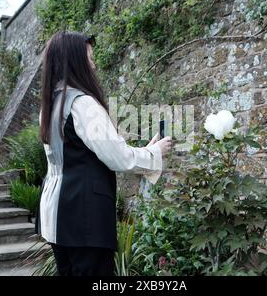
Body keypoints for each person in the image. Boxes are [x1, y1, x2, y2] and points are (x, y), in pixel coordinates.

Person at [36, 31, 172, 276]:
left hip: (55, 214)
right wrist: (154, 153)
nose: (94, 64)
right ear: (75, 62)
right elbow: (116, 156)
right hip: (84, 217)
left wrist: (146, 151)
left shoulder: (51, 104)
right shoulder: (82, 104)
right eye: (89, 57)